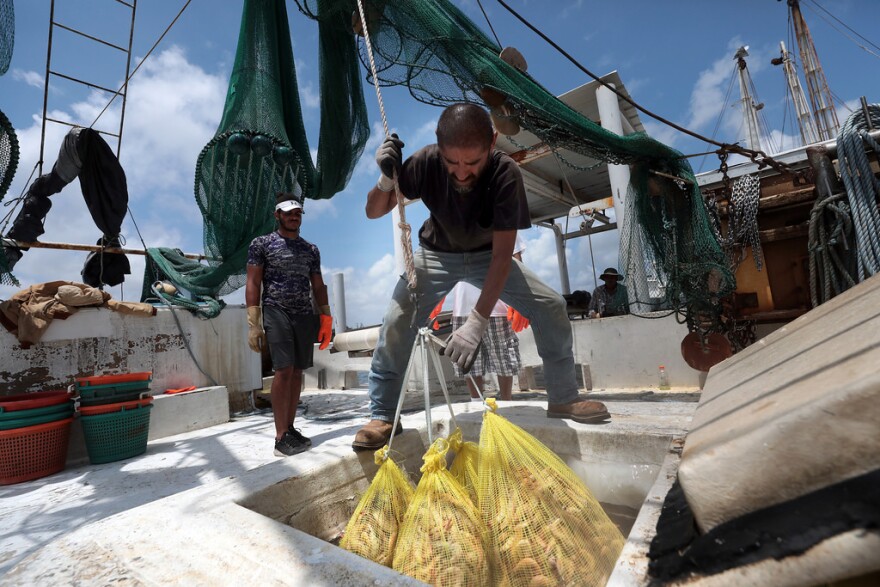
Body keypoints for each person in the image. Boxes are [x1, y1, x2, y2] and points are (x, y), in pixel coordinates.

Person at [352, 103, 610, 451]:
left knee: (550, 305)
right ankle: (383, 415)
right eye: (452, 163)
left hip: (489, 255)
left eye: (472, 164)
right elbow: (373, 211)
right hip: (436, 255)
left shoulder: (506, 174)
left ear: (492, 142)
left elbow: (504, 255)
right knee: (397, 319)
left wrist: (476, 323)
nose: (461, 173)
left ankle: (563, 397)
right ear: (438, 147)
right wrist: (385, 178)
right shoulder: (426, 161)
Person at [245, 192, 333, 457]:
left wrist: (326, 317)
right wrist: (254, 322)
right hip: (276, 310)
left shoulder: (310, 250)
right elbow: (253, 282)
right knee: (283, 370)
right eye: (288, 213)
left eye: (297, 213)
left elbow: (317, 284)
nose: (294, 217)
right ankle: (280, 436)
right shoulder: (261, 244)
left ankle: (291, 428)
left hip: (304, 314)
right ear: (277, 215)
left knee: (297, 372)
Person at [429, 232, 529, 401]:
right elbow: (444, 268)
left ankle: (506, 402)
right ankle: (476, 402)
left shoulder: (502, 221)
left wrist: (520, 300)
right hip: (462, 307)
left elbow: (516, 261)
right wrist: (436, 298)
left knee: (504, 357)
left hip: (498, 305)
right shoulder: (451, 227)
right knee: (467, 359)